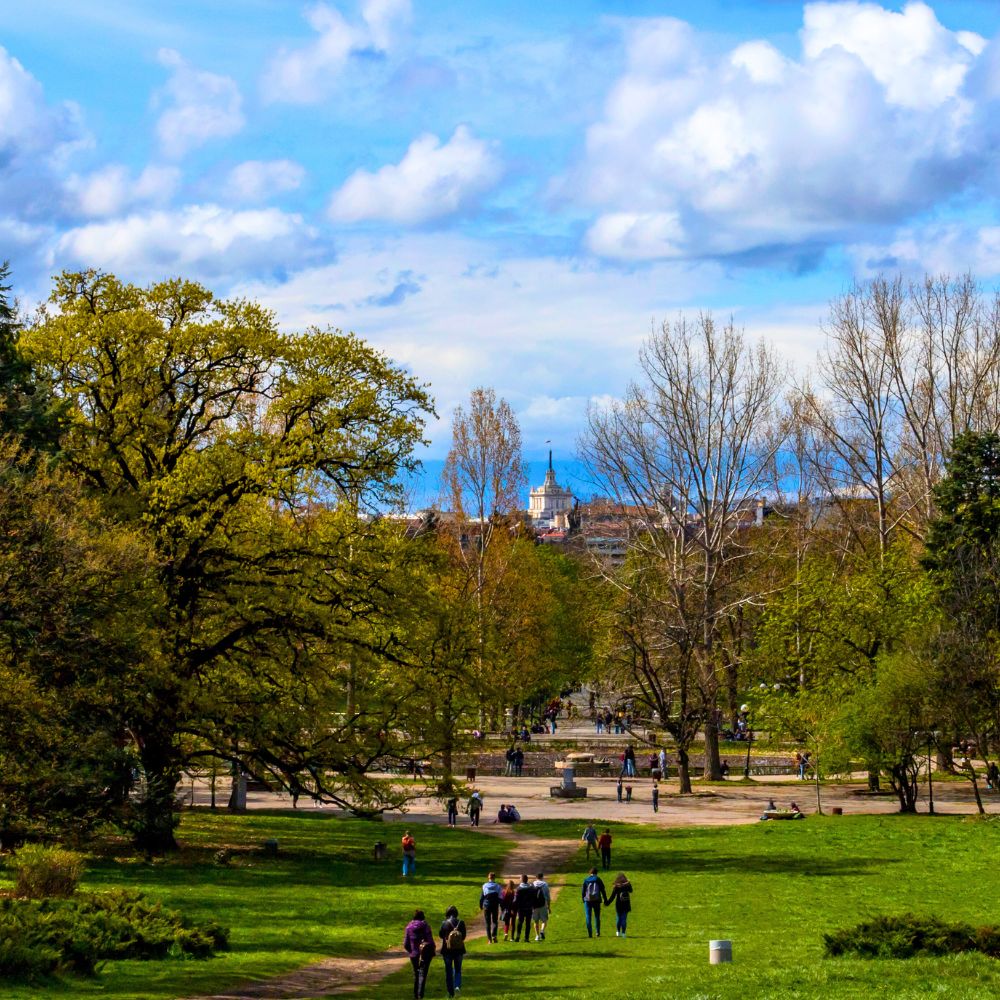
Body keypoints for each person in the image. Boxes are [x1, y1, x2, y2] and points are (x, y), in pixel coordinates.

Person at [403, 909, 435, 1000]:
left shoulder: (408, 927)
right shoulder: (425, 926)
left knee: (416, 974)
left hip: (414, 955)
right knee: (422, 974)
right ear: (422, 917)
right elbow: (430, 941)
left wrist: (411, 951)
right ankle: (420, 995)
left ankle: (415, 995)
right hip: (425, 954)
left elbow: (405, 944)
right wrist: (432, 951)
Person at [439, 905, 467, 998]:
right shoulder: (461, 922)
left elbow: (440, 935)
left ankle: (450, 992)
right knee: (458, 969)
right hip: (459, 950)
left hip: (447, 951)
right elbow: (464, 936)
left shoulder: (444, 923)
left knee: (448, 971)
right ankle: (457, 986)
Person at [581, 867, 606, 938]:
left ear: (590, 873)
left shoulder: (586, 880)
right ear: (596, 873)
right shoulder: (598, 879)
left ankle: (590, 933)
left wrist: (583, 899)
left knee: (588, 917)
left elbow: (583, 891)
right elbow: (603, 890)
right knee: (597, 916)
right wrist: (605, 899)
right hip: (596, 900)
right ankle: (597, 932)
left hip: (587, 900)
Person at [606, 872, 633, 937]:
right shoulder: (627, 885)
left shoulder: (616, 887)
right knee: (624, 919)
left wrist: (607, 903)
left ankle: (618, 932)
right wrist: (629, 883)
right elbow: (631, 891)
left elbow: (612, 896)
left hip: (618, 904)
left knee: (618, 918)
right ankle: (623, 933)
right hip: (626, 904)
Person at [479, 871, 502, 943]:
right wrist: (501, 905)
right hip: (495, 905)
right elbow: (500, 897)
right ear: (494, 878)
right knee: (495, 921)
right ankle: (494, 935)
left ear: (488, 877)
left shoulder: (484, 886)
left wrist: (480, 905)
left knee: (487, 923)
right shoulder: (498, 886)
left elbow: (482, 897)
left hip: (486, 905)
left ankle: (489, 939)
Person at [514, 874, 537, 943]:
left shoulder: (519, 889)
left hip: (521, 909)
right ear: (527, 880)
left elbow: (516, 900)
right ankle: (526, 938)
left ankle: (518, 937)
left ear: (521, 880)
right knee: (528, 923)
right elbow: (534, 898)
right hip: (529, 908)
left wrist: (515, 907)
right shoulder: (531, 888)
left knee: (520, 922)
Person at [532, 872, 552, 941]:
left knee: (536, 921)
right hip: (543, 904)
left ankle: (537, 936)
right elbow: (548, 897)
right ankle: (542, 931)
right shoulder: (545, 885)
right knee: (544, 920)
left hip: (534, 905)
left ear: (536, 877)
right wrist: (549, 907)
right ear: (542, 877)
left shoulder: (532, 884)